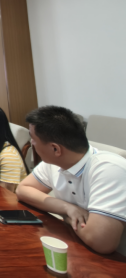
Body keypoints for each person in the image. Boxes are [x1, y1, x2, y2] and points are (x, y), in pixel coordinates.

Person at [17, 106, 126, 255]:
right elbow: (23, 189)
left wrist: (68, 218)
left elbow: (101, 242)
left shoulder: (109, 170)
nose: (32, 143)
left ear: (55, 149)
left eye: (34, 139)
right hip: (79, 246)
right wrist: (67, 208)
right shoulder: (55, 162)